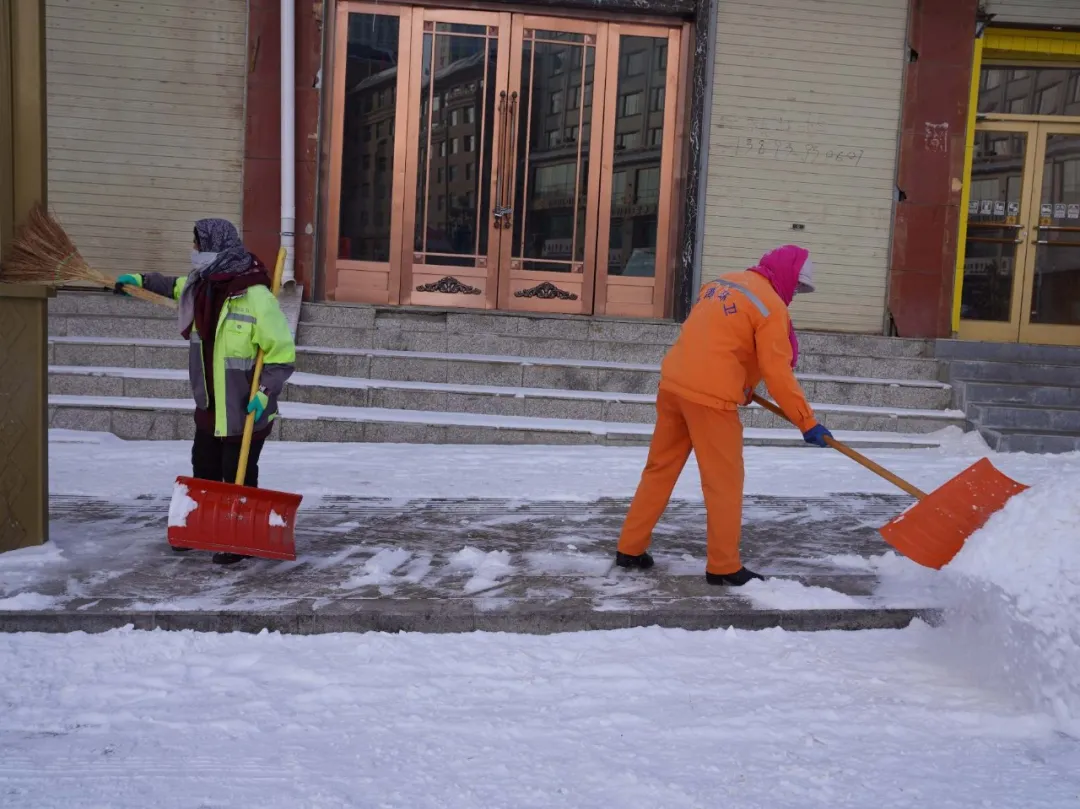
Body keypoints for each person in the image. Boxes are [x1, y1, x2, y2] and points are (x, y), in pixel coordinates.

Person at [614, 245, 832, 586]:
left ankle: (630, 548)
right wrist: (807, 421)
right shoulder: (771, 307)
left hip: (673, 385)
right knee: (724, 484)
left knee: (659, 470)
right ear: (789, 276)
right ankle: (723, 566)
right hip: (710, 401)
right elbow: (777, 372)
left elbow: (717, 339)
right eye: (797, 286)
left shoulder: (722, 283)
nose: (795, 293)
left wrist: (742, 384)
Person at [115, 219, 296, 565]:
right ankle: (201, 528)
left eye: (198, 245)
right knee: (204, 465)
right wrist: (139, 281)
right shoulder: (201, 287)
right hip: (210, 403)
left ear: (216, 246)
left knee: (238, 473)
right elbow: (172, 285)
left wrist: (266, 392)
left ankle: (238, 537)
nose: (194, 251)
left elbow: (282, 353)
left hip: (245, 407)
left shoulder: (256, 296)